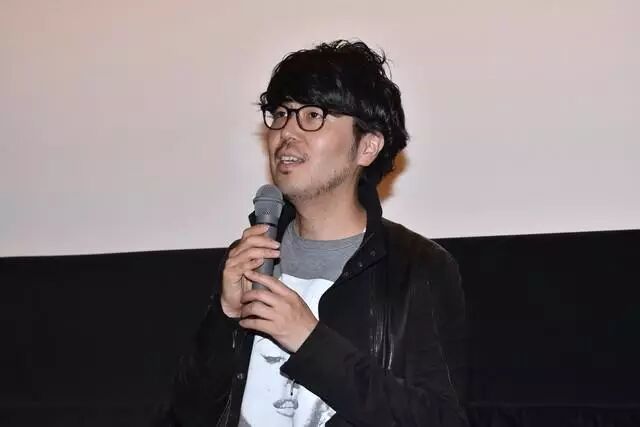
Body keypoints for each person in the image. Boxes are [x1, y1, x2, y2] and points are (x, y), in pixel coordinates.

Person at [158, 39, 468, 426]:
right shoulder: (251, 256)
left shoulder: (416, 269)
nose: (286, 132)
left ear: (367, 146)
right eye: (281, 114)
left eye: (312, 115)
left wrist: (310, 342)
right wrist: (225, 316)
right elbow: (185, 415)